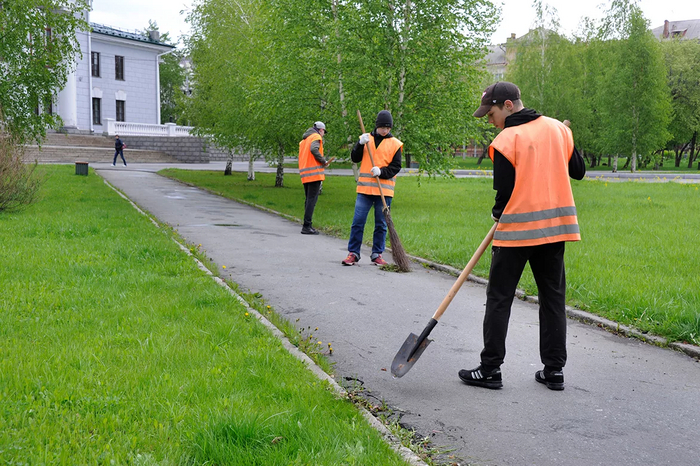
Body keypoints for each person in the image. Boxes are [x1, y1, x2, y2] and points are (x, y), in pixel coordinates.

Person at [458, 82, 586, 391]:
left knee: (499, 298)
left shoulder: (507, 139)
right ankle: (554, 371)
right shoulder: (559, 130)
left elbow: (504, 193)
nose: (490, 121)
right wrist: (563, 143)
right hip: (555, 231)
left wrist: (497, 213)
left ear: (508, 105)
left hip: (516, 232)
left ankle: (490, 369)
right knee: (553, 299)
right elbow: (578, 171)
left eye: (491, 114)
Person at [341, 110, 402, 266]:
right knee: (358, 222)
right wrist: (359, 145)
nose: (385, 130)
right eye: (383, 127)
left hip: (384, 191)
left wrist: (381, 172)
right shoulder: (366, 139)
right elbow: (355, 158)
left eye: (388, 128)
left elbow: (396, 167)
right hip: (365, 191)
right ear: (377, 126)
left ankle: (377, 254)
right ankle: (353, 253)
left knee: (381, 224)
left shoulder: (395, 144)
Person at [298, 121, 330, 235]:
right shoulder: (316, 137)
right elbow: (314, 149)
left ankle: (306, 224)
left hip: (305, 173)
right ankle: (307, 226)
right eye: (324, 132)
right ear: (320, 130)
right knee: (312, 200)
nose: (323, 134)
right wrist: (323, 161)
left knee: (308, 199)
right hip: (314, 173)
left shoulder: (304, 140)